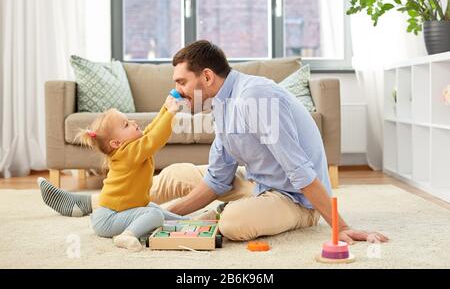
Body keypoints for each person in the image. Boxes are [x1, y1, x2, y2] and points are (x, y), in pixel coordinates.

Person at [39, 40, 388, 244]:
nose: (176, 91)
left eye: (181, 82)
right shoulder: (221, 105)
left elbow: (300, 172)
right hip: (258, 184)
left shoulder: (255, 98)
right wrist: (162, 214)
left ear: (206, 76)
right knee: (176, 174)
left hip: (294, 198)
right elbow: (218, 179)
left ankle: (131, 214)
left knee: (231, 223)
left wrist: (342, 228)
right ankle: (99, 204)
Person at [38, 95, 199, 252]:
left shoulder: (132, 147)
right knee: (154, 214)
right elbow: (155, 139)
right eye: (126, 125)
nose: (133, 123)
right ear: (116, 143)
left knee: (153, 208)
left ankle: (187, 221)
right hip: (108, 219)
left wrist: (164, 109)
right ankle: (128, 235)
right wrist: (171, 113)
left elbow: (151, 131)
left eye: (129, 121)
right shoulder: (128, 153)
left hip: (120, 211)